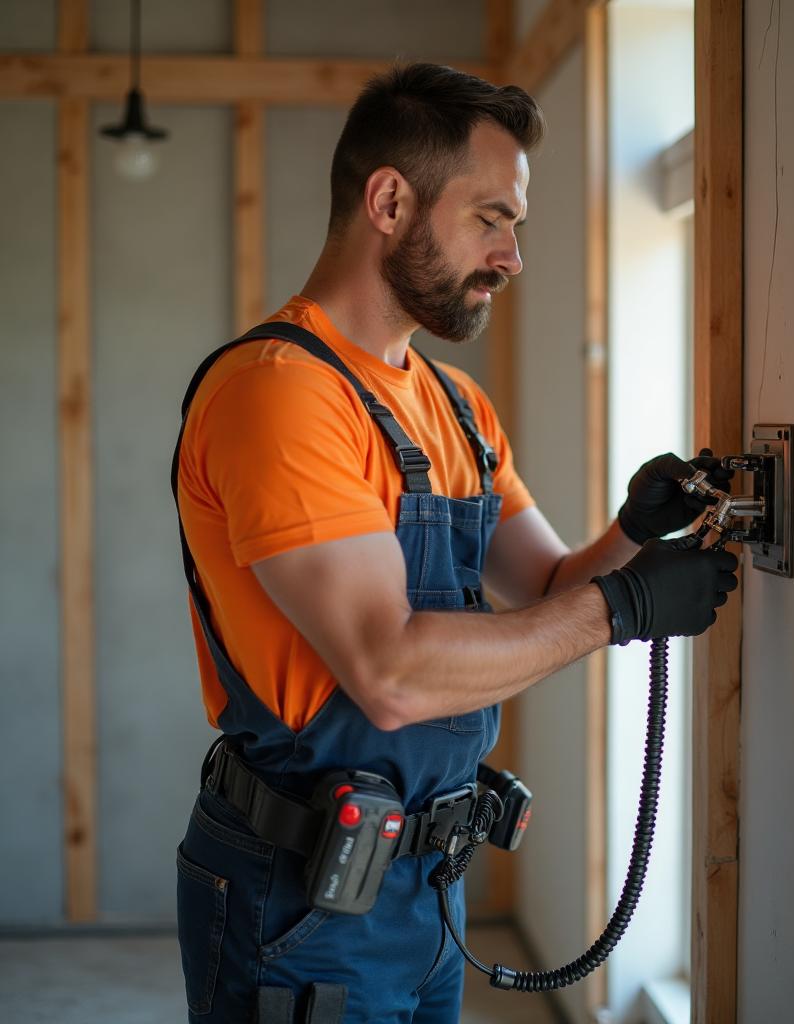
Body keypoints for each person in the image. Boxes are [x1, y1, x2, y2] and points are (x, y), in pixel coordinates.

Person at [173, 62, 738, 1024]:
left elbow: (550, 585)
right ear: (390, 202)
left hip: (424, 884)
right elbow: (390, 674)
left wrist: (632, 535)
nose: (512, 257)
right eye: (491, 219)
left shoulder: (454, 404)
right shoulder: (280, 393)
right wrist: (625, 607)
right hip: (301, 897)